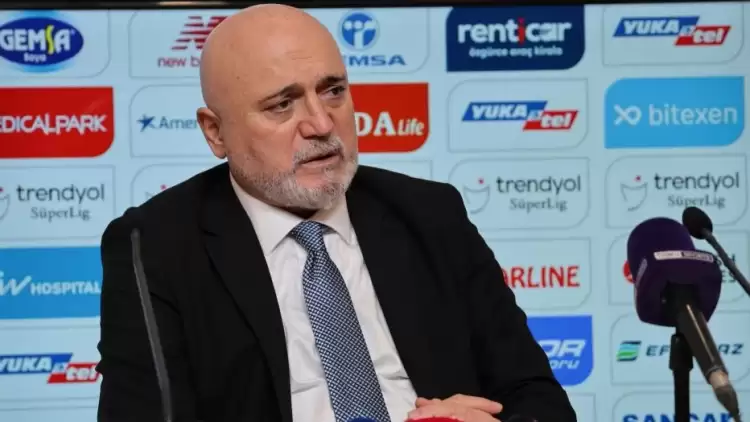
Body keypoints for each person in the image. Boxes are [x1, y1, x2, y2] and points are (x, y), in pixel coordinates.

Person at [96, 4, 576, 422]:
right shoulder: (154, 245)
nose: (322, 124)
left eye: (333, 92)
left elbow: (537, 397)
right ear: (215, 132)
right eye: (282, 105)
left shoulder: (429, 213)